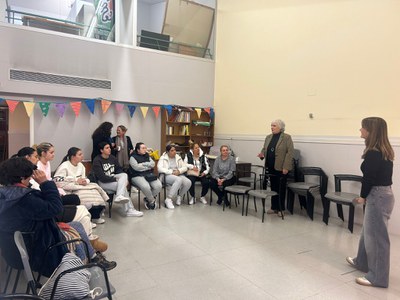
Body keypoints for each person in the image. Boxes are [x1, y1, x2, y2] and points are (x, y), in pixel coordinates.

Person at [346, 117, 395, 288]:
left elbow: (370, 178)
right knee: (368, 232)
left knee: (377, 238)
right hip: (383, 194)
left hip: (377, 195)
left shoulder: (374, 152)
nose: (360, 130)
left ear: (370, 131)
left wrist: (362, 196)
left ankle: (378, 278)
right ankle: (362, 262)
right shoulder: (382, 150)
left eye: (363, 128)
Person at [54, 147, 109, 225]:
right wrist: (75, 181)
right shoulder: (64, 166)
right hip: (70, 187)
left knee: (94, 191)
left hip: (80, 185)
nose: (82, 156)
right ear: (73, 157)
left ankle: (96, 216)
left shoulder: (81, 166)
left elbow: (84, 178)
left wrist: (84, 181)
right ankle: (86, 219)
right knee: (84, 195)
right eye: (80, 154)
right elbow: (58, 180)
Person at [92, 142, 143, 217]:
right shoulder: (97, 160)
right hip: (103, 182)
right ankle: (129, 210)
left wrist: (124, 179)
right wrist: (116, 179)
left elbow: (119, 169)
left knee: (124, 175)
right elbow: (102, 178)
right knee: (122, 187)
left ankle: (120, 196)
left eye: (109, 147)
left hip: (113, 179)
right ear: (101, 150)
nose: (109, 149)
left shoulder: (112, 158)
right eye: (107, 148)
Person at [258, 119, 294, 216]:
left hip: (281, 168)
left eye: (274, 126)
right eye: (271, 125)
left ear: (280, 127)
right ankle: (274, 207)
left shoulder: (286, 137)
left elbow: (290, 153)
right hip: (270, 166)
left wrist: (286, 167)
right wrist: (262, 154)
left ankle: (281, 209)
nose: (272, 127)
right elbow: (265, 149)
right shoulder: (268, 137)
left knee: (281, 188)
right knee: (273, 188)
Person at [129, 142, 162, 210]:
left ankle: (147, 199)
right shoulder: (132, 157)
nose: (145, 149)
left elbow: (153, 164)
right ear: (138, 150)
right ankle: (151, 200)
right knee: (145, 186)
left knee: (159, 186)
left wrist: (143, 164)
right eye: (143, 148)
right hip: (136, 175)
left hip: (148, 174)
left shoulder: (147, 155)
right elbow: (137, 168)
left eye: (145, 148)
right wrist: (148, 166)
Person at [157, 144, 191, 209]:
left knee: (188, 182)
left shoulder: (178, 157)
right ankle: (168, 199)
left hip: (178, 174)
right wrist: (171, 172)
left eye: (175, 150)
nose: (174, 152)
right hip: (167, 175)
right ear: (167, 152)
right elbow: (159, 169)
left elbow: (185, 167)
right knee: (179, 180)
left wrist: (179, 171)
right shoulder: (163, 157)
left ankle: (179, 196)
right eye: (172, 150)